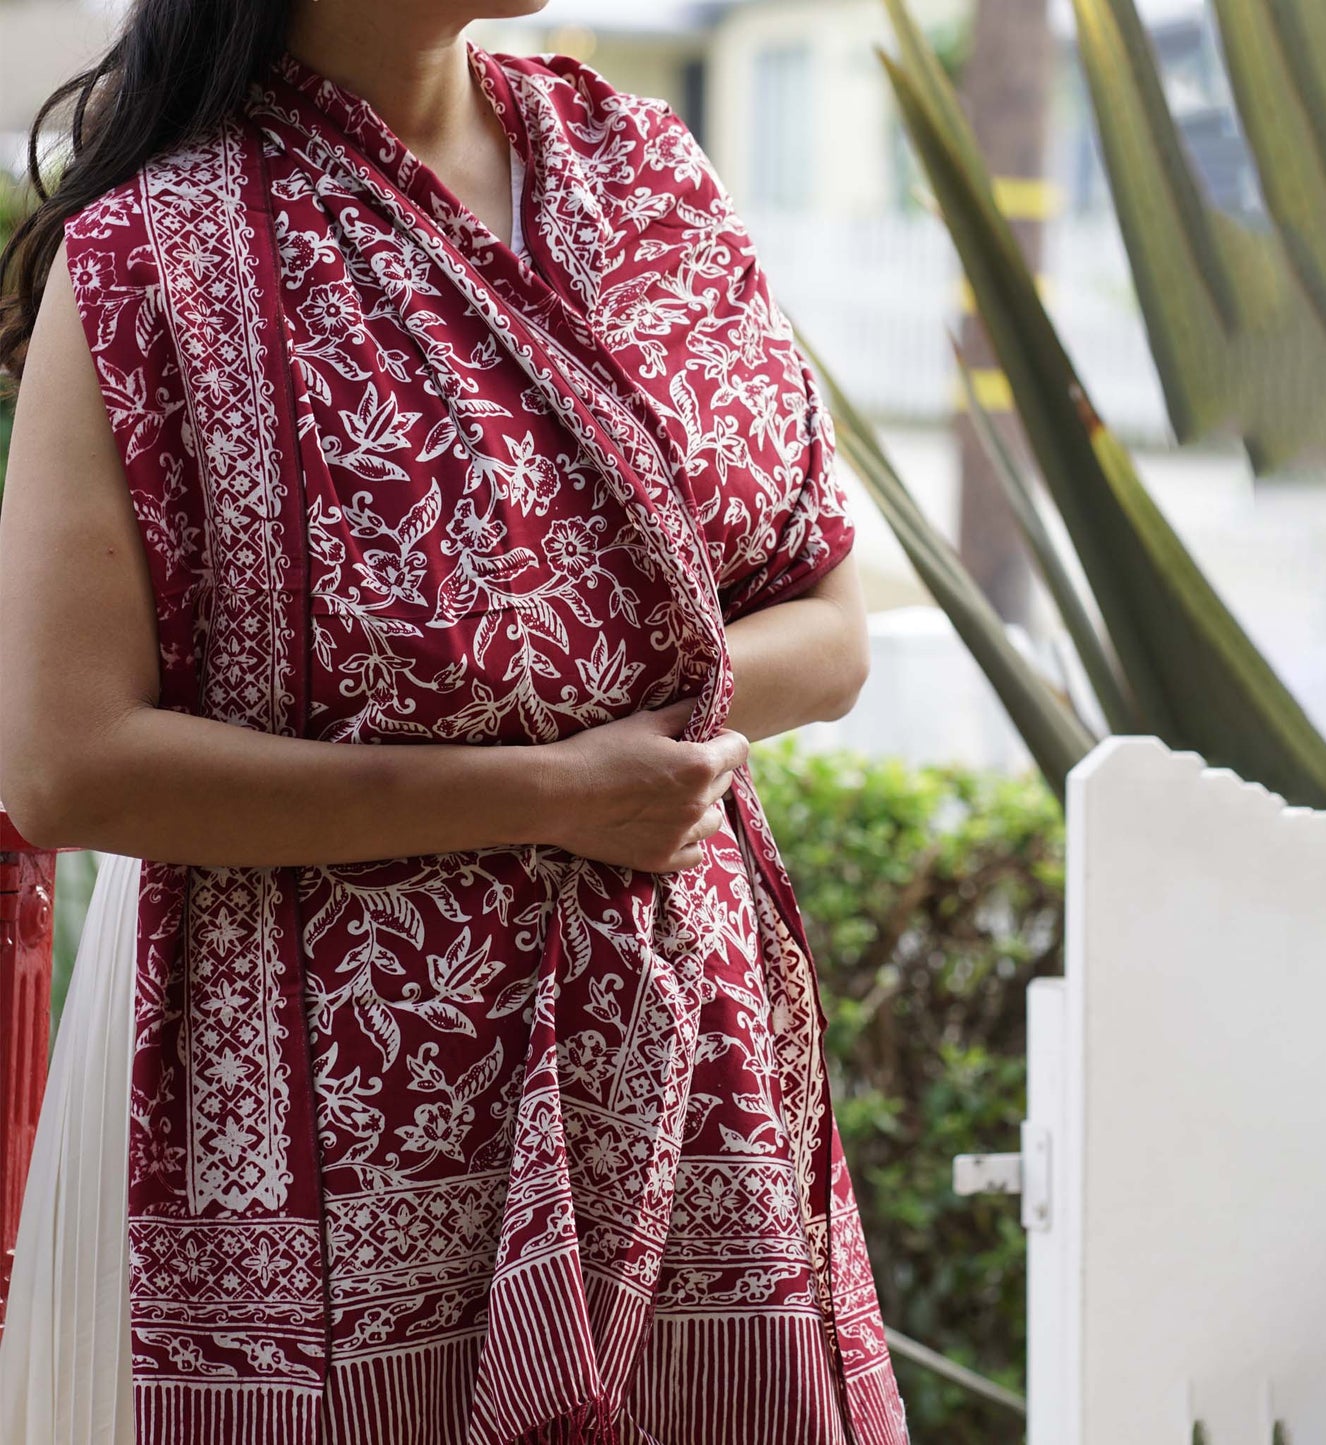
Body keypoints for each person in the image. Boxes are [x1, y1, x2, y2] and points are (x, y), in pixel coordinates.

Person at [0, 3, 912, 1443]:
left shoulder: (648, 174)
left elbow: (832, 629)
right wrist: (549, 790)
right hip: (338, 1111)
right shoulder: (151, 255)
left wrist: (622, 770)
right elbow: (66, 763)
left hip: (686, 1069)